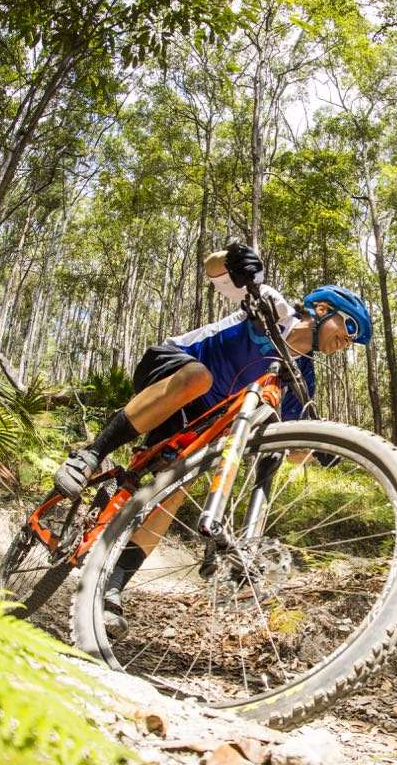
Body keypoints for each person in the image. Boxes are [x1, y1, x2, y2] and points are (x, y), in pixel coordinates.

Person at [54, 242, 372, 627]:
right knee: (199, 379)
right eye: (350, 327)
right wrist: (233, 259)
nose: (348, 341)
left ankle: (112, 587)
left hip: (201, 421)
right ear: (322, 311)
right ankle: (90, 454)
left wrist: (314, 445)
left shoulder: (302, 376)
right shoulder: (273, 307)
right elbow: (214, 270)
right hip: (173, 372)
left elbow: (291, 449)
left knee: (170, 492)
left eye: (355, 339)